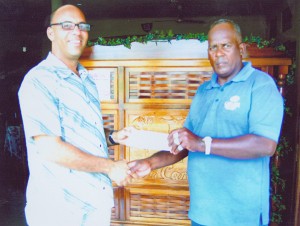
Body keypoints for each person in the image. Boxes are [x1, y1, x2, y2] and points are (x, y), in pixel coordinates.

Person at [128, 19, 284, 226]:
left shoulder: (261, 85)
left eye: (226, 46)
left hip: (240, 216)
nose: (219, 53)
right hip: (202, 214)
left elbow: (265, 145)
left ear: (242, 49)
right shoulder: (203, 91)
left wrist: (202, 144)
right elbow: (186, 144)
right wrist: (149, 163)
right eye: (213, 47)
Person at [18, 4, 132, 226]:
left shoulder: (86, 79)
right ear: (51, 33)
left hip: (94, 202)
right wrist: (110, 167)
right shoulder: (39, 80)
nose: (76, 31)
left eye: (82, 26)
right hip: (59, 209)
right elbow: (51, 148)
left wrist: (113, 137)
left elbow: (78, 130)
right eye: (66, 25)